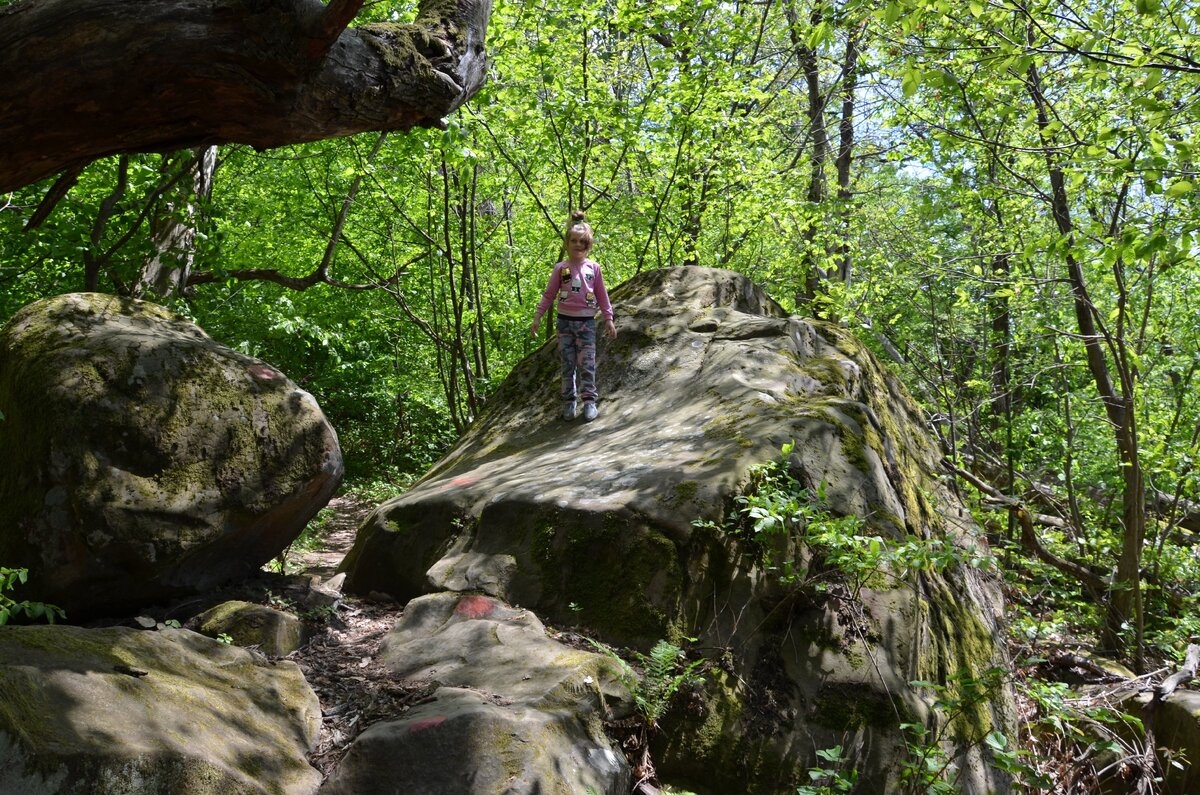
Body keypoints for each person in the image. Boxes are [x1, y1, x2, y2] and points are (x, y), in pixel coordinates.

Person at [530, 211, 618, 422]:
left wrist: (608, 318)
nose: (577, 245)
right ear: (566, 243)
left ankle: (589, 402)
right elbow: (549, 294)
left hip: (586, 323)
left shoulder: (593, 268)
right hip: (565, 322)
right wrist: (538, 317)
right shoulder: (561, 269)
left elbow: (602, 295)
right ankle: (569, 402)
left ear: (588, 245)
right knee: (567, 364)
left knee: (586, 363)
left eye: (582, 242)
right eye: (573, 241)